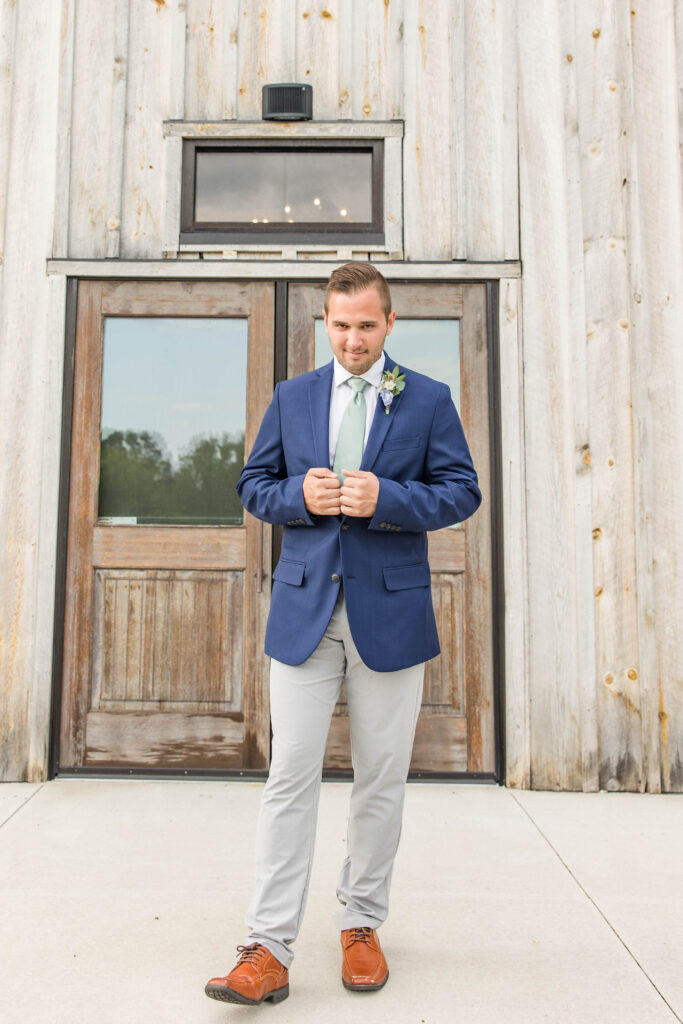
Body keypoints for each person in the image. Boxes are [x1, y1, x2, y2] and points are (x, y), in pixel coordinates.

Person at [204, 262, 482, 1006]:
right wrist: (295, 494)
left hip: (389, 618)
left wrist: (386, 498)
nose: (353, 339)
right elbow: (253, 484)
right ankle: (266, 947)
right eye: (340, 325)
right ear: (323, 325)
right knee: (289, 777)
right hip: (303, 617)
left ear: (389, 323)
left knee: (379, 780)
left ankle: (360, 924)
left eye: (365, 324)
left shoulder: (426, 399)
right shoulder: (292, 398)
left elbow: (462, 491)